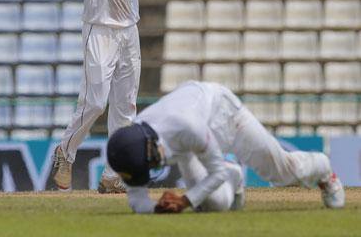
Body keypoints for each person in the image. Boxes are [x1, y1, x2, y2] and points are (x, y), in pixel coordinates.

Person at [51, 0, 187, 193]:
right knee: (96, 101)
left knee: (125, 109)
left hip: (129, 34)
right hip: (99, 32)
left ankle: (113, 175)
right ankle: (65, 152)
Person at [106, 81, 345, 213]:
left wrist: (185, 201)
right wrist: (159, 208)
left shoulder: (186, 127)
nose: (152, 167)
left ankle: (324, 170)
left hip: (225, 116)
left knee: (283, 173)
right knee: (216, 205)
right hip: (189, 145)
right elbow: (137, 200)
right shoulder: (130, 148)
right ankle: (235, 176)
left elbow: (215, 171)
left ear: (151, 146)